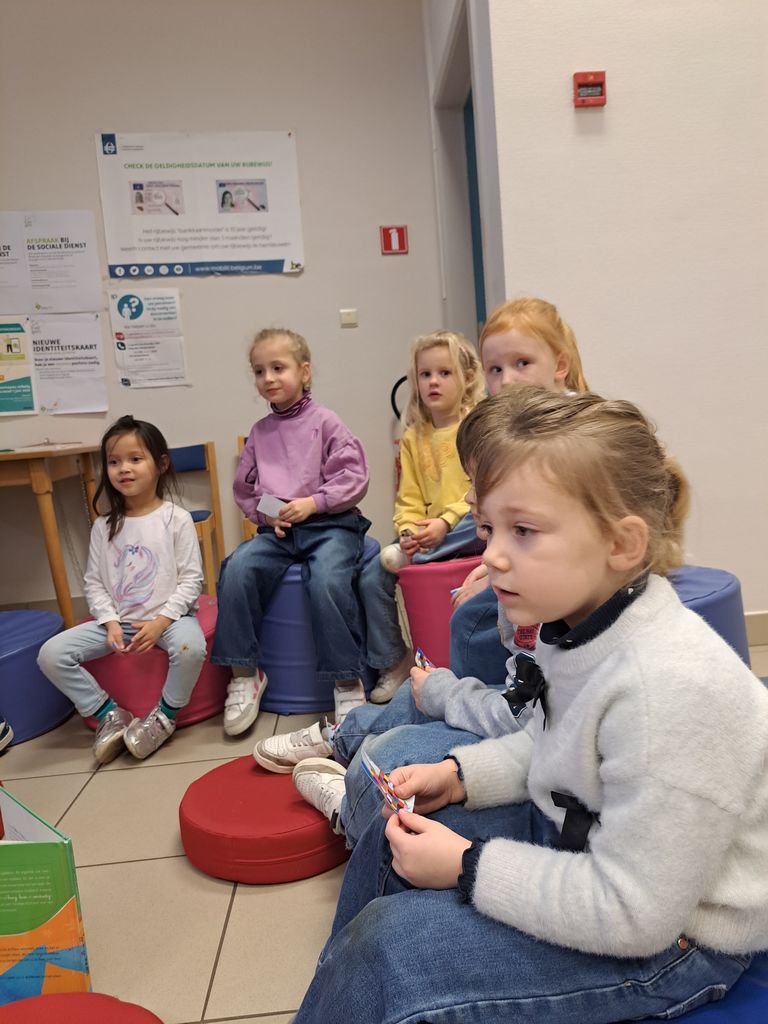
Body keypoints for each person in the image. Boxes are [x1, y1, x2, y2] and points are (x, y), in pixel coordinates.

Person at [292, 384, 768, 1024]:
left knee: (388, 952)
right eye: (490, 528)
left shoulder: (668, 691)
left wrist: (467, 866)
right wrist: (461, 776)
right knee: (388, 831)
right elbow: (558, 744)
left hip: (678, 940)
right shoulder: (576, 624)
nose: (491, 555)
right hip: (591, 847)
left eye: (523, 531)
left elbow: (637, 914)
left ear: (621, 545)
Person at [252, 300, 587, 838]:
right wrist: (484, 560)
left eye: (522, 363)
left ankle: (350, 799)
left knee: (389, 758)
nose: (506, 380)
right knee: (430, 668)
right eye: (496, 368)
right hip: (511, 698)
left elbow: (524, 717)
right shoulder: (498, 441)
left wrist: (447, 696)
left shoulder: (574, 452)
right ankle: (348, 736)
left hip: (522, 724)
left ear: (561, 365)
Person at [212, 327, 370, 735]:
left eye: (278, 368)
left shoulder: (326, 422)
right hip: (280, 533)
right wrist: (271, 515)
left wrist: (313, 503)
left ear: (304, 371)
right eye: (259, 371)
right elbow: (246, 490)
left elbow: (354, 476)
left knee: (327, 581)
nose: (268, 378)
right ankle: (245, 675)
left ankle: (346, 681)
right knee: (237, 569)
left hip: (331, 525)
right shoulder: (260, 433)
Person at [37, 416, 207, 764]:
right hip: (119, 623)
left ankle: (164, 717)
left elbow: (192, 580)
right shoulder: (103, 526)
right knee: (50, 654)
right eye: (114, 462)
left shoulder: (176, 519)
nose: (123, 469)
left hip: (170, 621)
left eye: (135, 459)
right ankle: (108, 713)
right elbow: (94, 582)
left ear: (161, 464)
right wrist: (110, 621)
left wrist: (161, 622)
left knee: (191, 648)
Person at [358, 329, 485, 705]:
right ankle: (393, 659)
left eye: (444, 373)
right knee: (371, 574)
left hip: (469, 525)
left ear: (467, 377)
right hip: (428, 536)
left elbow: (484, 488)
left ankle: (423, 552)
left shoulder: (477, 426)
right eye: (425, 374)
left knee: (474, 522)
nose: (433, 382)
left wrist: (446, 522)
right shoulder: (413, 437)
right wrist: (408, 530)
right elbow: (408, 498)